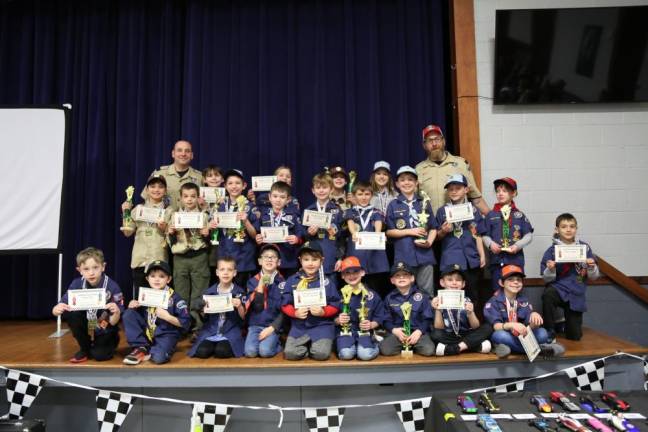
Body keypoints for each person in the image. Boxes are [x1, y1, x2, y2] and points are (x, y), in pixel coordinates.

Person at [52, 247, 124, 363]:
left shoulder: (112, 286)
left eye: (95, 267)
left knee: (99, 356)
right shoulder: (76, 284)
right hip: (87, 322)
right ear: (79, 270)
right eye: (86, 269)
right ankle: (85, 348)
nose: (91, 273)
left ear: (103, 267)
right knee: (72, 313)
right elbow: (60, 305)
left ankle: (111, 341)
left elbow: (114, 321)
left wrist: (116, 312)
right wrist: (56, 309)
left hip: (105, 325)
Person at [483, 264, 564, 359]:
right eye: (510, 279)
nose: (515, 282)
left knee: (542, 333)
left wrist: (534, 319)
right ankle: (540, 350)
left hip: (521, 336)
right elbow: (496, 326)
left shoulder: (523, 300)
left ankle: (507, 349)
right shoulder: (493, 301)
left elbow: (529, 327)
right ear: (501, 283)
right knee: (499, 336)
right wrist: (512, 325)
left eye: (519, 280)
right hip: (506, 334)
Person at [541, 213, 599, 341]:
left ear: (576, 228)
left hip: (576, 292)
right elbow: (546, 279)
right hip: (559, 289)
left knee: (575, 336)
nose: (568, 229)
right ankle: (549, 331)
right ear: (557, 230)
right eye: (564, 227)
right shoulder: (552, 250)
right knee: (548, 295)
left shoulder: (584, 248)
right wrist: (551, 269)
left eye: (572, 226)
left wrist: (591, 266)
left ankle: (562, 325)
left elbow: (594, 277)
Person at [281, 241, 341, 360]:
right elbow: (284, 304)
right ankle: (308, 346)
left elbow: (335, 304)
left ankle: (316, 346)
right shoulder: (292, 280)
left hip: (321, 326)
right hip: (300, 327)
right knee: (290, 354)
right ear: (300, 260)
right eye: (306, 259)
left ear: (321, 260)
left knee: (321, 354)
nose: (310, 263)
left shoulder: (327, 282)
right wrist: (295, 313)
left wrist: (323, 312)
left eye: (314, 259)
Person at [122, 260, 191, 365]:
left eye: (162, 276)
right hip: (148, 332)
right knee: (129, 313)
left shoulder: (175, 298)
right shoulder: (145, 295)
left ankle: (157, 350)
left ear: (168, 279)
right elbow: (137, 318)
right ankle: (141, 347)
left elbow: (186, 323)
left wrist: (168, 317)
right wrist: (133, 305)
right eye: (153, 276)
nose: (157, 279)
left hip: (166, 334)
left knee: (158, 358)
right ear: (147, 279)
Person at [385, 166, 438, 297]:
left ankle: (426, 317)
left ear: (416, 183)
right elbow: (389, 232)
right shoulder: (393, 204)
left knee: (427, 292)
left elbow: (433, 227)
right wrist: (411, 231)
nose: (406, 182)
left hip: (425, 255)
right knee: (405, 291)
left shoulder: (424, 202)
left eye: (410, 179)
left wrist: (430, 242)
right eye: (402, 180)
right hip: (404, 255)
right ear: (397, 184)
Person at [435, 174, 486, 304]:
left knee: (472, 294)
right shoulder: (442, 211)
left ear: (466, 190)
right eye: (451, 189)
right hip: (450, 257)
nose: (454, 191)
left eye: (458, 188)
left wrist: (482, 255)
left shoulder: (474, 210)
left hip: (471, 258)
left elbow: (478, 234)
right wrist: (443, 231)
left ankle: (472, 323)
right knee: (450, 296)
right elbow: (437, 237)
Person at [415, 124, 488, 215]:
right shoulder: (419, 169)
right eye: (430, 141)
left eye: (437, 139)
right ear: (424, 145)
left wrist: (494, 219)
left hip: (457, 224)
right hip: (431, 226)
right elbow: (413, 202)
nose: (434, 144)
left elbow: (475, 198)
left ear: (444, 141)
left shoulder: (461, 164)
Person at [167, 182, 211, 332]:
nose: (190, 199)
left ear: (198, 198)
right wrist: (171, 233)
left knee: (199, 292)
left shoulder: (204, 216)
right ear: (180, 198)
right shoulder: (174, 217)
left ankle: (197, 326)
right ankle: (182, 325)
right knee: (181, 292)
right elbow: (169, 241)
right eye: (186, 196)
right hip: (180, 258)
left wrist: (207, 235)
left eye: (193, 196)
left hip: (199, 256)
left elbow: (211, 241)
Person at [121, 174, 172, 298]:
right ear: (147, 189)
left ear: (165, 191)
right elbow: (128, 232)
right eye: (153, 186)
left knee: (158, 297)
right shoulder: (138, 209)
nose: (156, 190)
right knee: (140, 297)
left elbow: (173, 235)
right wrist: (125, 212)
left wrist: (165, 228)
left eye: (160, 187)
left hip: (158, 258)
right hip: (140, 259)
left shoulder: (169, 211)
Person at [188, 256, 247, 358]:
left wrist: (240, 306)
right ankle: (212, 343)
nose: (225, 273)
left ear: (235, 273)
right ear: (217, 272)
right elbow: (205, 318)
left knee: (221, 351)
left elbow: (244, 319)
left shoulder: (240, 293)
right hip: (211, 330)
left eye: (229, 270)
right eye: (222, 269)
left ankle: (222, 345)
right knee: (202, 352)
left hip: (230, 330)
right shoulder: (209, 293)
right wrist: (202, 309)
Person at [483, 177, 534, 291]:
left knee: (516, 291)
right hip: (497, 261)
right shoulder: (491, 215)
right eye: (498, 191)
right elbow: (485, 235)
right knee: (497, 292)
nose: (500, 194)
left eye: (504, 191)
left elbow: (528, 235)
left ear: (514, 193)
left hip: (515, 260)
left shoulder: (519, 215)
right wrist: (491, 245)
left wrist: (518, 245)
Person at [430, 265, 492, 356]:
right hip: (448, 335)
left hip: (466, 334)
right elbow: (438, 328)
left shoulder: (467, 300)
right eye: (450, 280)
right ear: (442, 282)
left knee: (488, 328)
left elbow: (475, 326)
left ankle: (455, 348)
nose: (454, 283)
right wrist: (438, 310)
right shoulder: (437, 300)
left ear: (463, 284)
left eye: (458, 280)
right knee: (435, 334)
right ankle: (473, 346)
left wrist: (471, 313)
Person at [211, 169, 258, 287]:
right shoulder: (219, 206)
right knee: (224, 291)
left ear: (244, 186)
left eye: (237, 183)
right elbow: (211, 232)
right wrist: (211, 226)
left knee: (241, 293)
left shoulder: (250, 207)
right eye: (230, 183)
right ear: (225, 186)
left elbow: (255, 235)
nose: (234, 186)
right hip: (224, 256)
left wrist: (246, 221)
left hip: (243, 259)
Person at [343, 180, 390, 296]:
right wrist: (353, 232)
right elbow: (350, 222)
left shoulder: (375, 211)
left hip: (373, 253)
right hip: (356, 251)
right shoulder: (351, 211)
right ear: (354, 196)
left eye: (367, 194)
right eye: (360, 194)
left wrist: (378, 233)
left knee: (374, 287)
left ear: (371, 195)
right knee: (356, 284)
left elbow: (378, 222)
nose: (364, 197)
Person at [379, 262, 436, 357]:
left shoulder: (422, 296)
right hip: (399, 334)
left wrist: (419, 332)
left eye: (405, 274)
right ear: (392, 280)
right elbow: (385, 320)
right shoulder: (389, 298)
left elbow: (428, 318)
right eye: (397, 275)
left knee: (428, 350)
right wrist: (394, 331)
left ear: (412, 278)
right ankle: (406, 346)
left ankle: (412, 345)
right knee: (386, 350)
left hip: (418, 332)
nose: (401, 277)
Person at [334, 256, 385, 361]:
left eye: (355, 271)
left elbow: (380, 317)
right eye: (347, 273)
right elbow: (331, 318)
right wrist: (338, 320)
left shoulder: (372, 295)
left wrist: (371, 324)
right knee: (346, 355)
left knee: (365, 355)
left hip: (365, 333)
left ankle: (376, 346)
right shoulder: (338, 295)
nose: (352, 275)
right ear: (342, 276)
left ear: (362, 272)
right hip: (346, 333)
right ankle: (351, 348)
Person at [255, 181, 304, 278]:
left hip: (288, 260)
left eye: (282, 197)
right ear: (269, 197)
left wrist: (296, 239)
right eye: (275, 196)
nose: (278, 200)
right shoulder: (263, 215)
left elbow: (301, 234)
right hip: (268, 261)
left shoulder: (293, 216)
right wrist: (257, 238)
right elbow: (256, 234)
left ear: (288, 199)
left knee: (288, 287)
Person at [244, 244, 285, 358]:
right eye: (266, 257)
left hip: (272, 326)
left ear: (279, 262)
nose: (269, 259)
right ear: (259, 261)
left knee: (265, 351)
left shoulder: (284, 283)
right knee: (250, 352)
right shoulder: (252, 281)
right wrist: (260, 286)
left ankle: (278, 343)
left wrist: (272, 328)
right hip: (255, 325)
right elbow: (257, 307)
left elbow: (284, 311)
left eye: (273, 257)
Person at [301, 173, 344, 275]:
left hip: (331, 255)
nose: (321, 190)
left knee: (331, 286)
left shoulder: (337, 210)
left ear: (331, 189)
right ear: (313, 190)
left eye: (325, 187)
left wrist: (340, 258)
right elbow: (302, 235)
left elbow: (342, 237)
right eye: (318, 188)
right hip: (312, 257)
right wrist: (309, 233)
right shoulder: (308, 210)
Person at [143, 140, 203, 209]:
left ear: (192, 155)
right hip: (163, 219)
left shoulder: (200, 177)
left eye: (187, 151)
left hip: (190, 219)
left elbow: (206, 204)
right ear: (173, 153)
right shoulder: (159, 174)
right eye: (179, 150)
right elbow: (146, 200)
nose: (183, 154)